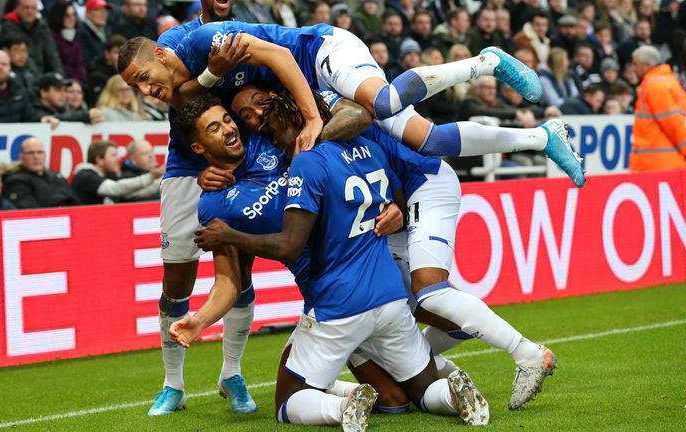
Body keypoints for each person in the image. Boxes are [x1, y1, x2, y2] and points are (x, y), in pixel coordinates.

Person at [227, 83, 560, 410]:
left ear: (284, 103)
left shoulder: (320, 110)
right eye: (247, 115)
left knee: (433, 294)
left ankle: (527, 353)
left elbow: (360, 113)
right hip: (383, 254)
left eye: (261, 108)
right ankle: (438, 377)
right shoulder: (332, 142)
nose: (258, 120)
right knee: (396, 398)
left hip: (422, 185)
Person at [173, 93, 490, 429]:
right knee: (400, 400)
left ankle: (344, 406)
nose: (229, 127)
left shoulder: (282, 146)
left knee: (288, 401)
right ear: (198, 147)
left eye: (227, 119)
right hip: (383, 291)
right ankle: (450, 392)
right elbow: (228, 281)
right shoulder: (219, 200)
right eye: (214, 127)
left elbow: (290, 244)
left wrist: (229, 235)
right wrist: (200, 320)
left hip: (334, 300)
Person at [118, 21, 585, 187]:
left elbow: (280, 55)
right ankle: (543, 137)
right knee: (430, 141)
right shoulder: (187, 83)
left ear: (160, 55)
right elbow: (187, 112)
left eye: (143, 78)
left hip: (320, 51)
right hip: (316, 88)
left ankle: (486, 61)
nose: (145, 90)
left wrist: (308, 120)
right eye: (135, 87)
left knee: (380, 102)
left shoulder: (203, 39)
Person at [141, 0, 260, 417]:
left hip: (236, 166)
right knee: (178, 278)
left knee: (239, 274)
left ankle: (231, 373)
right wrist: (213, 73)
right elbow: (172, 96)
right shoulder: (174, 40)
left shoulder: (252, 31)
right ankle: (173, 385)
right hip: (184, 170)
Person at [629, 45, 686, 171]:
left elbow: (673, 124)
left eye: (635, 64)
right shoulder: (666, 81)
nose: (633, 68)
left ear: (647, 66)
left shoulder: (655, 86)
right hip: (665, 162)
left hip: (658, 165)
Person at [71, 140, 163, 204]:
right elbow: (115, 189)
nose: (118, 159)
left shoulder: (110, 176)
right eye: (113, 155)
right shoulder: (85, 176)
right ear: (99, 159)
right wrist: (151, 176)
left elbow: (135, 194)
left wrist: (165, 179)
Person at [1, 136, 82, 208]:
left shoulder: (56, 176)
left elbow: (76, 203)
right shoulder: (15, 181)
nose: (36, 157)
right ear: (21, 157)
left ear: (44, 155)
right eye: (31, 153)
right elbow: (30, 211)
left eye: (39, 152)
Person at [0, 0, 63, 75]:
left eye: (33, 8)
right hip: (20, 75)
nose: (30, 11)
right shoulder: (9, 27)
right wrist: (40, 81)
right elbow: (23, 58)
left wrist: (59, 78)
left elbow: (52, 56)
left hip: (43, 76)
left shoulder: (42, 27)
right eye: (26, 8)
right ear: (17, 8)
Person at [33, 72, 103, 123]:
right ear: (44, 93)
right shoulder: (33, 111)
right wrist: (86, 116)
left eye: (64, 90)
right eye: (58, 90)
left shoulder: (62, 110)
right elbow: (49, 118)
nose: (63, 94)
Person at [47, 0, 86, 82]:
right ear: (59, 17)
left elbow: (80, 64)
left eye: (73, 15)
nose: (71, 19)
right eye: (67, 16)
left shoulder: (77, 37)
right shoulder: (50, 37)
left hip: (78, 81)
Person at [78, 0, 114, 68]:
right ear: (88, 13)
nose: (103, 14)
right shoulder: (81, 33)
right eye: (98, 10)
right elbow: (85, 60)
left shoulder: (108, 31)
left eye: (105, 11)